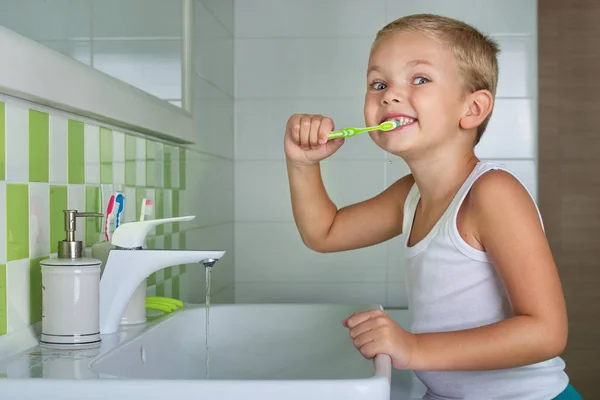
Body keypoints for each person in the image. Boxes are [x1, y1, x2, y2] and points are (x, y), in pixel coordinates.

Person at [283, 13, 582, 400]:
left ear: (472, 109)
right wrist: (302, 164)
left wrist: (414, 349)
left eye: (419, 79)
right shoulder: (411, 194)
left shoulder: (492, 193)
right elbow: (325, 233)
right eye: (378, 83)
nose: (388, 95)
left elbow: (546, 333)